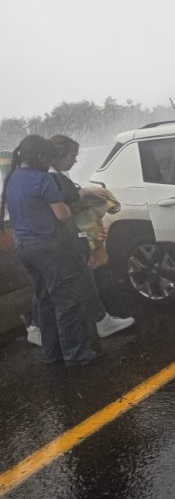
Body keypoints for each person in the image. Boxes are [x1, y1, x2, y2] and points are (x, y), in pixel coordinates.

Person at [24, 135, 134, 345]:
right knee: (57, 282)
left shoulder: (52, 176)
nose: (75, 161)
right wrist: (88, 196)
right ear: (58, 156)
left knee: (66, 279)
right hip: (57, 240)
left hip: (54, 239)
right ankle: (43, 327)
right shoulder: (52, 178)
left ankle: (98, 320)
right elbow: (67, 208)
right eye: (72, 156)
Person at [0, 135, 97, 366]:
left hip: (23, 246)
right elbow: (62, 214)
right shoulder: (43, 180)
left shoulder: (13, 177)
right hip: (49, 248)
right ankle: (76, 354)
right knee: (66, 302)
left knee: (44, 300)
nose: (51, 163)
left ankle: (52, 353)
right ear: (41, 157)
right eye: (49, 158)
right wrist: (80, 205)